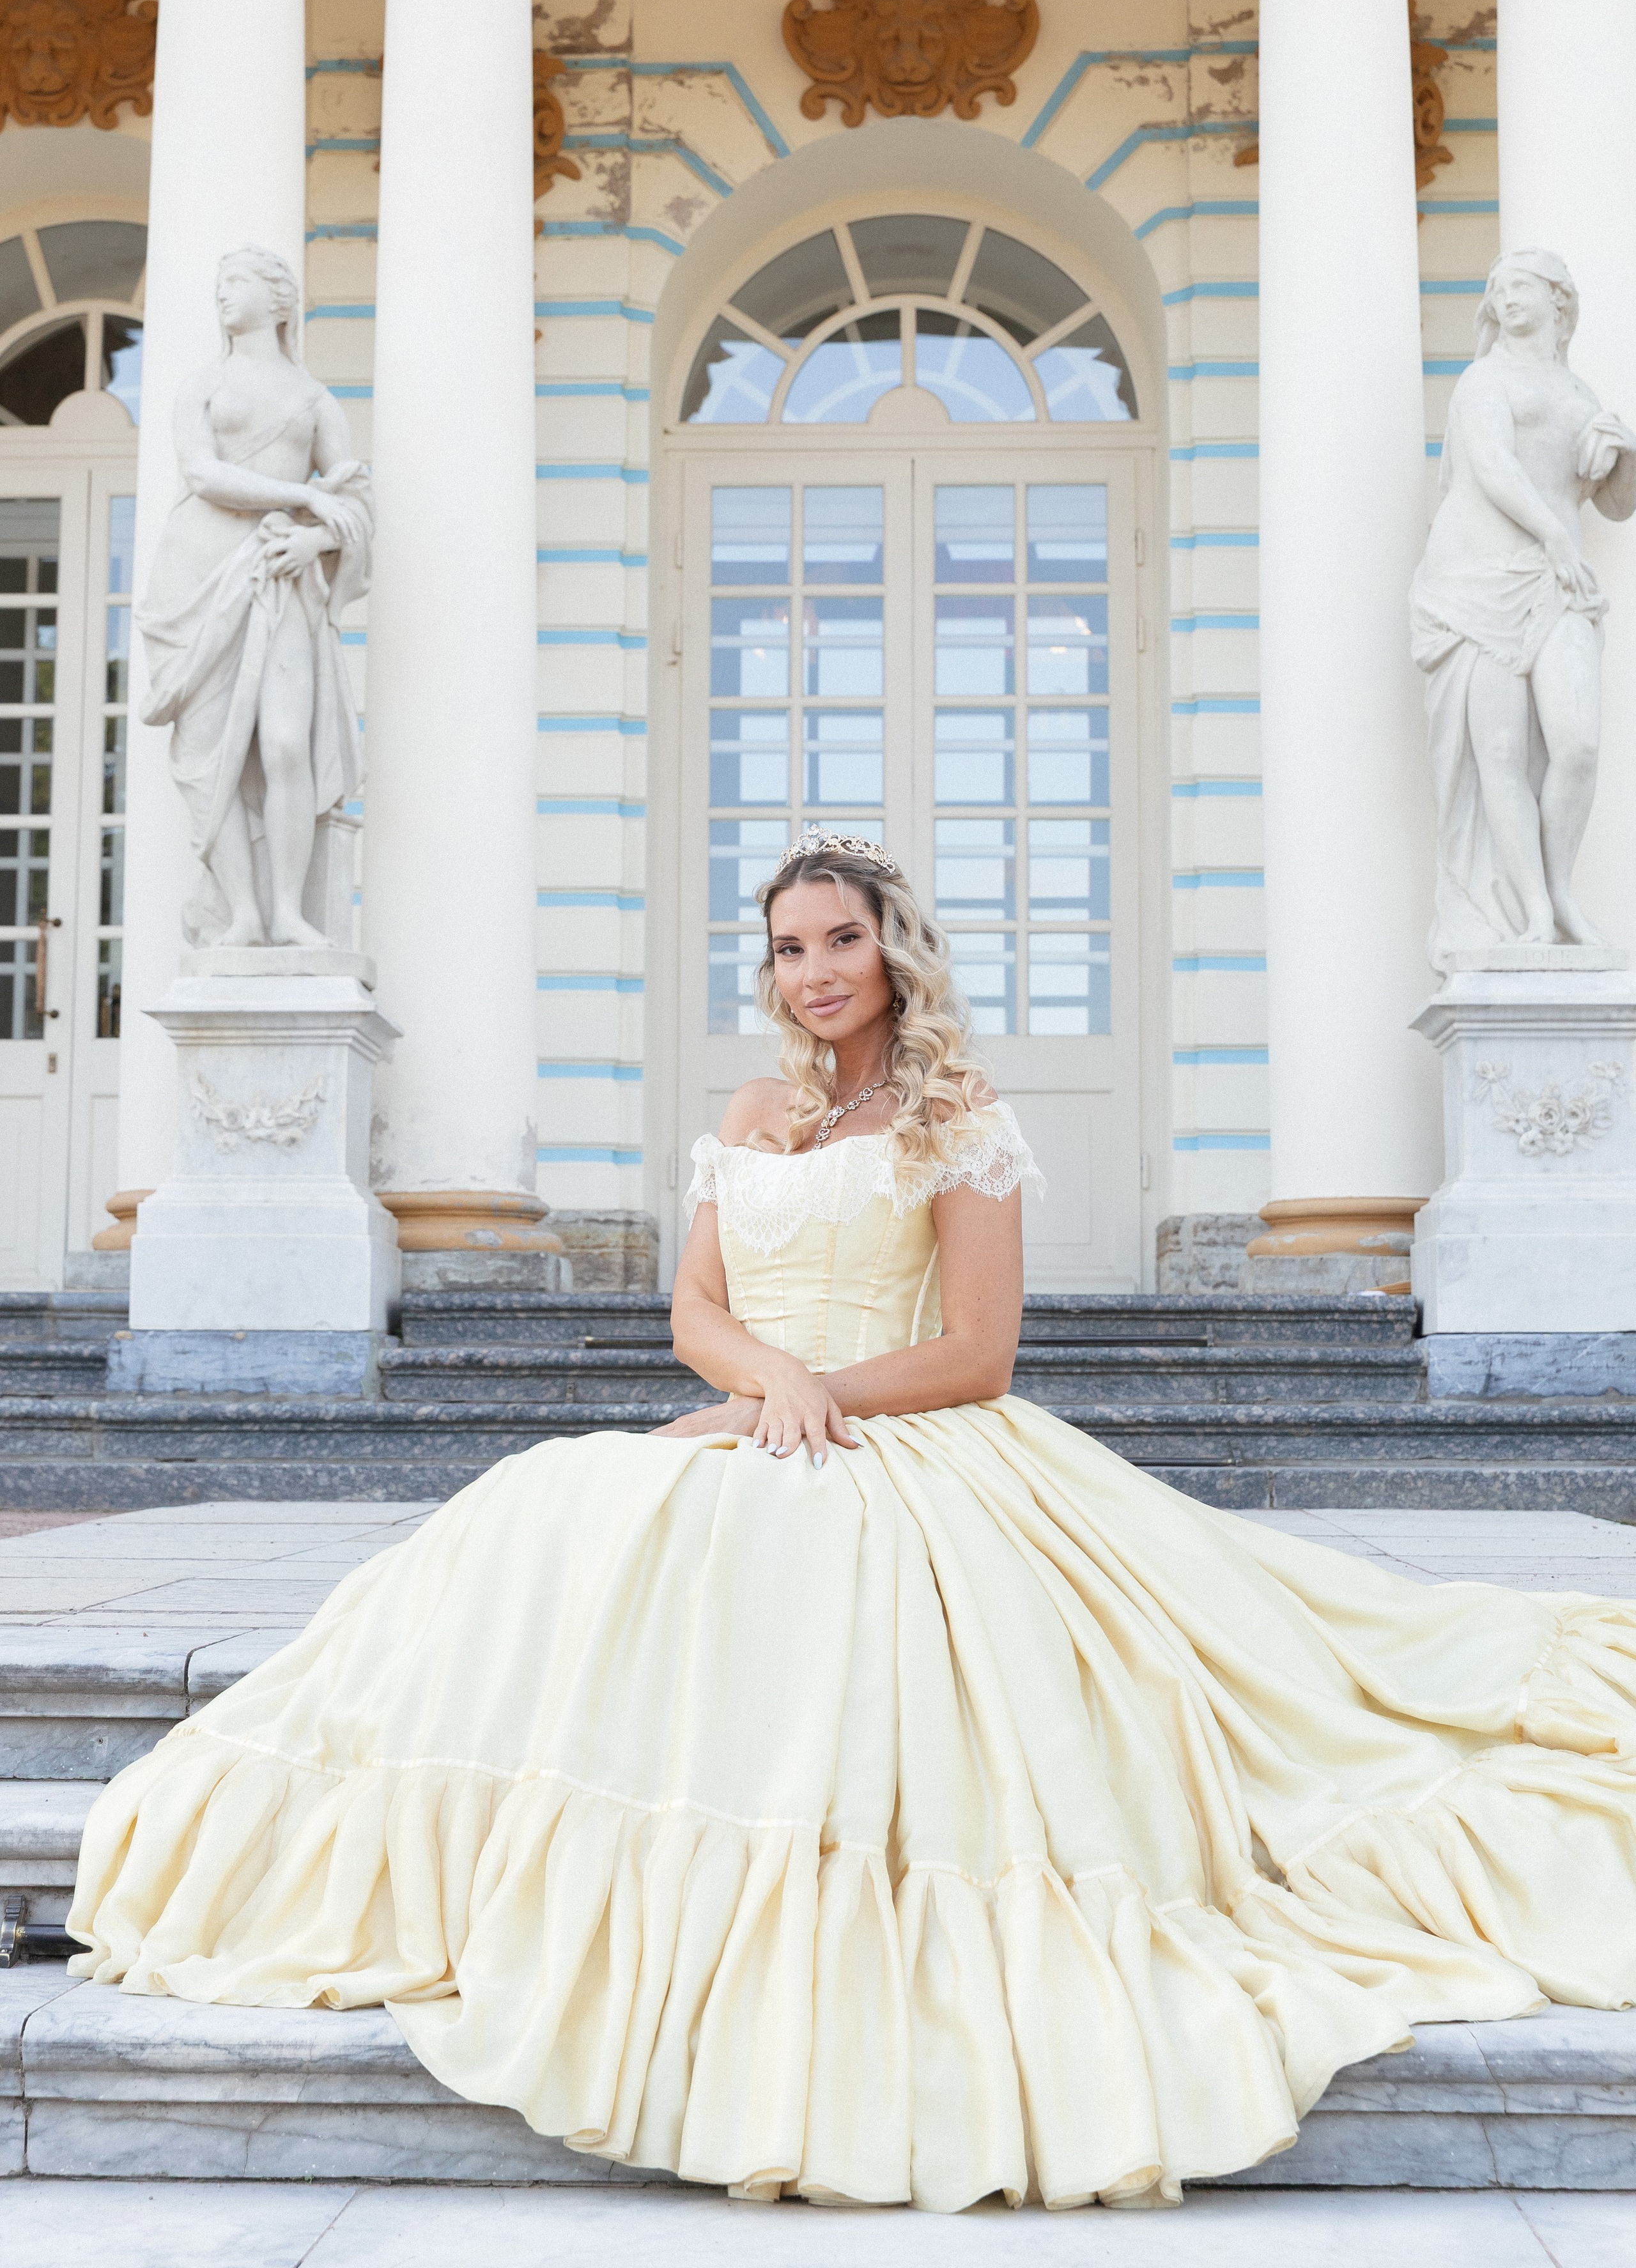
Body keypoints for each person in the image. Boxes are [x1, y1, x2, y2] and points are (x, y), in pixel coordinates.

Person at [68, 832, 1636, 2212]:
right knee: (541, 1506)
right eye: (786, 945)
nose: (813, 969)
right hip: (766, 1410)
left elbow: (977, 1351)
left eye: (839, 936)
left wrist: (817, 1393)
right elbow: (691, 1303)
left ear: (892, 947)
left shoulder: (957, 1112)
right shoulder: (752, 1107)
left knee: (809, 1571)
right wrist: (761, 1382)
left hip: (920, 1432)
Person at [139, 245, 371, 950]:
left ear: (279, 302)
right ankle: (243, 912)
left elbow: (356, 496)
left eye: (234, 282)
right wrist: (303, 496)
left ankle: (290, 914)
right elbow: (203, 474)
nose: (222, 295)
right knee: (215, 758)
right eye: (218, 284)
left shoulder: (312, 399)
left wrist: (315, 544)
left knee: (284, 743)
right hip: (199, 575)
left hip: (281, 575)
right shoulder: (201, 386)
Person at [1410, 248, 1636, 966]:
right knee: (1500, 755)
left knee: (1577, 745)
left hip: (1557, 585)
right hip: (1476, 582)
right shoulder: (1483, 380)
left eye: (1519, 287)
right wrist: (1552, 537)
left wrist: (1625, 455)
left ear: (1558, 300)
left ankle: (1562, 891)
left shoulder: (1579, 395)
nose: (1504, 299)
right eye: (1496, 289)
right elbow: (1493, 466)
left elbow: (1615, 503)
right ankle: (1534, 913)